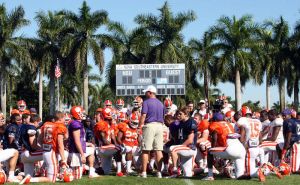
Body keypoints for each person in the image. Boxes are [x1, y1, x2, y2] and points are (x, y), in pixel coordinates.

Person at [20, 111, 68, 184]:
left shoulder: (46, 125)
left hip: (43, 151)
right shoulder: (60, 126)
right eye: (64, 118)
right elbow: (61, 145)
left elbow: (39, 139)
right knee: (51, 179)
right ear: (61, 118)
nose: (65, 120)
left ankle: (30, 177)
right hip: (51, 152)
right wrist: (63, 160)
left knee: (48, 174)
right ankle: (31, 179)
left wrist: (46, 144)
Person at [203, 112, 245, 181]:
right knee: (240, 176)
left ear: (214, 119)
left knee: (209, 151)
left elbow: (214, 138)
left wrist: (213, 148)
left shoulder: (215, 124)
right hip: (241, 148)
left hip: (230, 148)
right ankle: (259, 172)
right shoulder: (229, 124)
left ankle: (210, 176)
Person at [138, 85, 164, 178]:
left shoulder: (146, 102)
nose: (145, 94)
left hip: (150, 125)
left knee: (146, 149)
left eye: (146, 92)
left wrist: (139, 126)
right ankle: (159, 172)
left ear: (150, 92)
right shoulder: (161, 103)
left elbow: (143, 115)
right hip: (160, 126)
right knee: (158, 150)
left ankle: (144, 172)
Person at [168, 107, 198, 178]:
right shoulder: (180, 122)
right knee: (187, 174)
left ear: (186, 114)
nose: (178, 115)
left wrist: (180, 147)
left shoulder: (191, 122)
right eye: (178, 114)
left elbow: (190, 140)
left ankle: (175, 168)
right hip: (184, 148)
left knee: (173, 149)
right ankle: (204, 169)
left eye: (180, 114)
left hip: (190, 148)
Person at [281, 109, 300, 173]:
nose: (283, 117)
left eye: (284, 115)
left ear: (289, 115)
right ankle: (282, 163)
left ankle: (283, 162)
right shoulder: (297, 121)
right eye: (282, 115)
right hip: (296, 143)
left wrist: (285, 149)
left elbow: (289, 136)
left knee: (293, 170)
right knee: (278, 146)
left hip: (295, 144)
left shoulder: (287, 121)